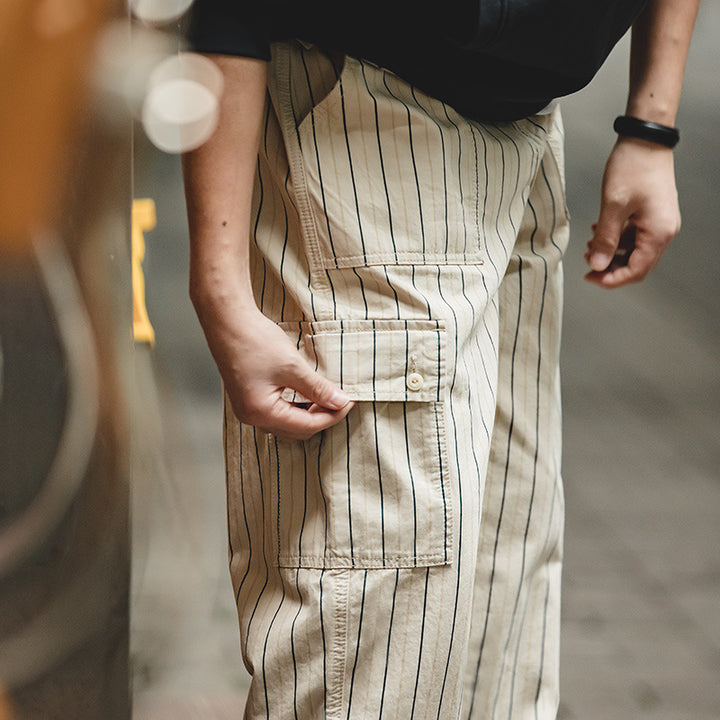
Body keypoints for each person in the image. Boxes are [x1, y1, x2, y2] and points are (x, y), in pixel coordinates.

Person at [181, 1, 699, 717]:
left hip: (526, 134)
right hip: (371, 133)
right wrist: (220, 285)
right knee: (373, 653)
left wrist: (652, 120)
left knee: (500, 631)